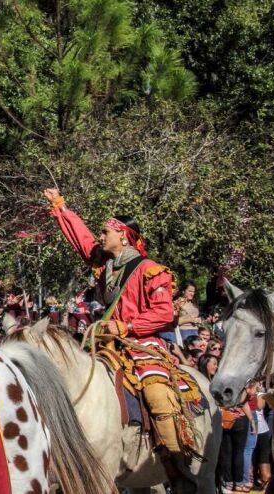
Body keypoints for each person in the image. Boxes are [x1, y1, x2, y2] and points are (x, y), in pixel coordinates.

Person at [43, 188, 193, 482]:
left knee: (156, 390)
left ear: (123, 235)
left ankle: (177, 463)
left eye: (106, 232)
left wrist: (126, 326)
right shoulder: (105, 265)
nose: (100, 236)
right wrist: (61, 207)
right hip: (104, 342)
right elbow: (81, 240)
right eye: (101, 232)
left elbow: (163, 313)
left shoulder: (150, 270)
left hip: (141, 342)